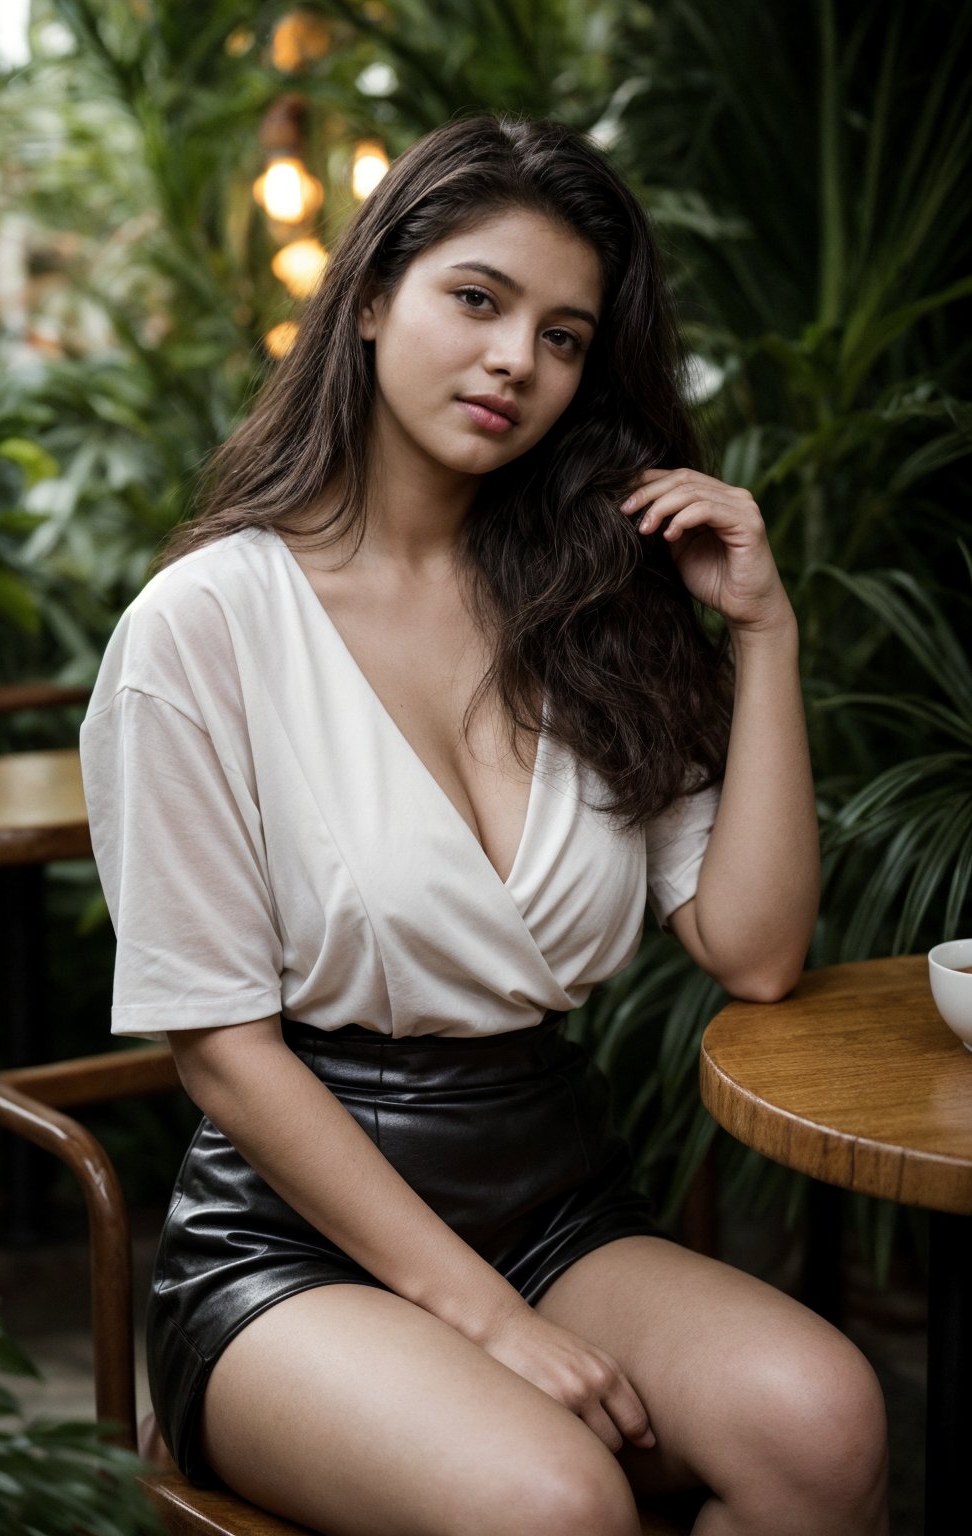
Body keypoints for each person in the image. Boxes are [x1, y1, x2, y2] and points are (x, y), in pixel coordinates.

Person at [80, 114, 889, 1536]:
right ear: (375, 294)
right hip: (289, 1242)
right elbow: (221, 1052)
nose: (520, 358)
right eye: (479, 299)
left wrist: (764, 634)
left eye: (566, 334)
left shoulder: (595, 601)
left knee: (824, 1427)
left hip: (556, 1198)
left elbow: (755, 953)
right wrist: (484, 1325)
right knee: (549, 1501)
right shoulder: (202, 627)